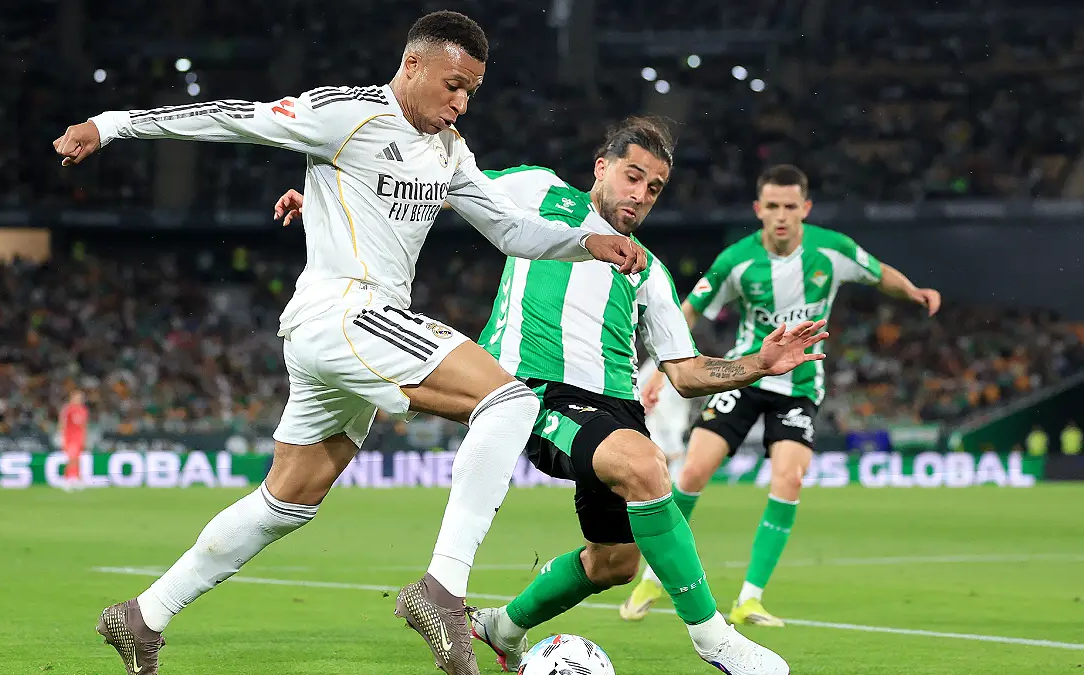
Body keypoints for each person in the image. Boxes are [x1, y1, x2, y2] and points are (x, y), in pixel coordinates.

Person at [53, 11, 645, 675]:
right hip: (344, 311)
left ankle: (143, 615)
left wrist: (586, 241)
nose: (460, 102)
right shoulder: (348, 114)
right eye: (453, 85)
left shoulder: (448, 150)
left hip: (349, 331)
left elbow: (508, 228)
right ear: (412, 65)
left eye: (472, 91)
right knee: (509, 400)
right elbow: (233, 117)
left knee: (286, 502)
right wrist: (110, 124)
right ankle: (442, 590)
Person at [281, 118, 819, 674]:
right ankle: (715, 640)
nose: (640, 194)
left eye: (655, 188)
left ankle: (502, 626)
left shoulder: (649, 271)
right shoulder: (537, 191)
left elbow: (684, 372)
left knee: (614, 563)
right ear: (602, 168)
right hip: (537, 392)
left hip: (617, 410)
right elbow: (430, 183)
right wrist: (333, 203)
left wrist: (758, 364)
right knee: (644, 465)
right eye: (633, 176)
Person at [620, 164, 941, 628]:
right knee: (692, 472)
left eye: (791, 206)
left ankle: (749, 600)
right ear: (758, 209)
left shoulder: (832, 250)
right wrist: (658, 369)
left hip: (800, 387)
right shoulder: (737, 260)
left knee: (789, 480)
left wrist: (913, 291)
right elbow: (688, 310)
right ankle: (655, 579)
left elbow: (878, 273)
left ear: (805, 208)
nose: (782, 215)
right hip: (744, 377)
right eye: (772, 206)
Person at [57, 391, 88, 491]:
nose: (79, 400)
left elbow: (84, 426)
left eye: (80, 398)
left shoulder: (83, 410)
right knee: (72, 458)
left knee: (77, 459)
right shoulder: (68, 409)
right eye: (77, 398)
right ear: (72, 398)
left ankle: (77, 479)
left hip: (79, 438)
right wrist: (61, 436)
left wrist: (84, 438)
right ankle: (68, 479)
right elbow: (62, 423)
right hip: (69, 438)